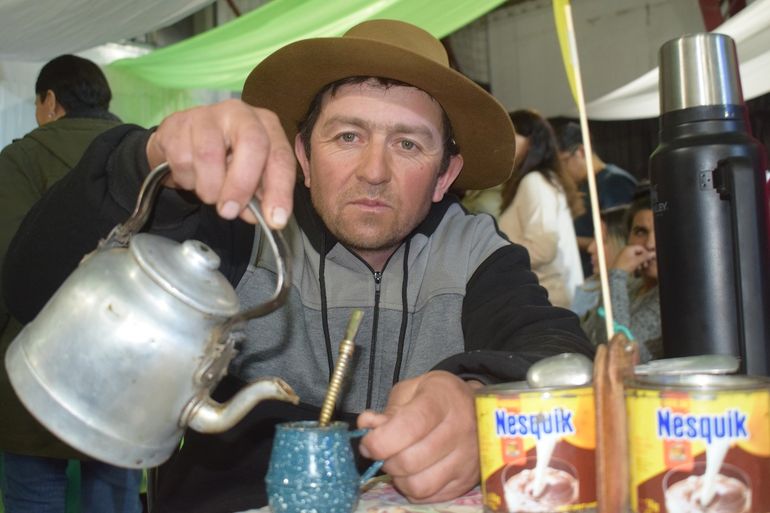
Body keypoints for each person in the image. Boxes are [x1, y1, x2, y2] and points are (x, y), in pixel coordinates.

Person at [2, 21, 593, 513]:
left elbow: (555, 349)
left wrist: (479, 396)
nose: (374, 171)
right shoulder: (238, 228)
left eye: (409, 144)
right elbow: (34, 289)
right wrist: (144, 160)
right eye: (347, 136)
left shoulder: (472, 250)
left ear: (445, 175)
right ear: (303, 156)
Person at [0, 55, 142, 513]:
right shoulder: (142, 153)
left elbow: (8, 267)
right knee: (113, 493)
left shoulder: (20, 158)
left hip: (33, 360)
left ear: (51, 102)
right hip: (125, 362)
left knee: (34, 494)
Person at [498, 110, 584, 309]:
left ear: (531, 140)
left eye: (512, 135)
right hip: (543, 298)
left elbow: (543, 249)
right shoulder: (541, 180)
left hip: (544, 300)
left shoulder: (535, 181)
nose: (505, 143)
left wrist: (496, 249)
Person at [581, 188, 662, 362]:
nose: (650, 244)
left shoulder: (670, 300)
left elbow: (619, 354)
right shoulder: (630, 288)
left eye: (660, 231)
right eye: (641, 232)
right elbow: (586, 340)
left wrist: (617, 274)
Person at [555, 121, 638, 278]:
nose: (561, 171)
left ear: (581, 151)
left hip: (612, 276)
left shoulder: (614, 182)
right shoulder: (584, 186)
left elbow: (618, 239)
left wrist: (569, 239)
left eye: (564, 162)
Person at [571, 204, 630, 317]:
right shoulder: (587, 290)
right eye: (594, 239)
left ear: (621, 245)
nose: (590, 248)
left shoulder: (635, 296)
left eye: (602, 241)